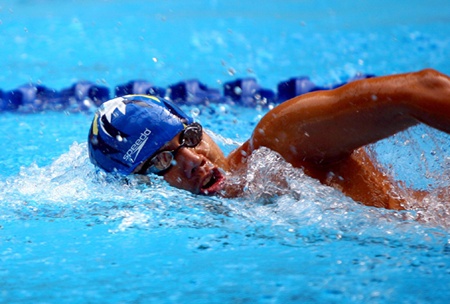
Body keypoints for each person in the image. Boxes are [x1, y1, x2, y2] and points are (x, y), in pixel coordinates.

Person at [88, 69, 450, 210]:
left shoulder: (280, 142)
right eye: (163, 161)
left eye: (189, 137)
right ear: (137, 185)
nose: (193, 159)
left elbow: (418, 91)